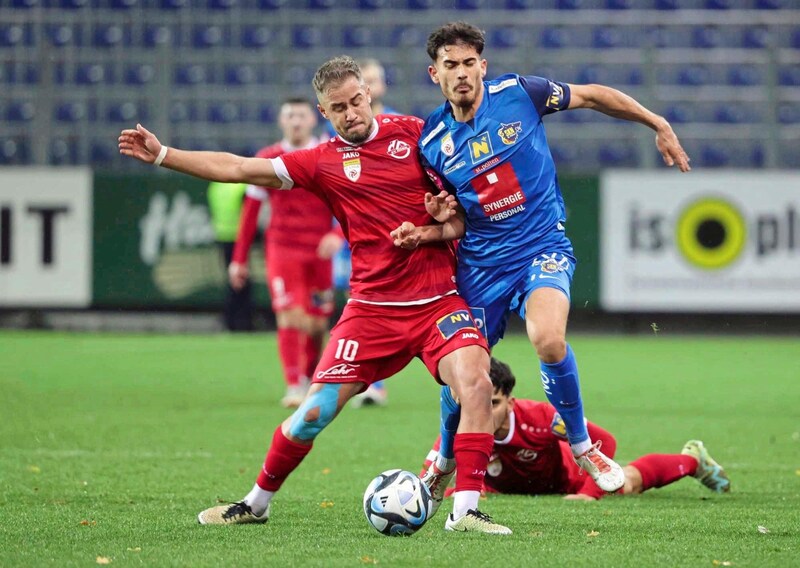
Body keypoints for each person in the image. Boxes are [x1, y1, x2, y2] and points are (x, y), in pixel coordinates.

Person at [118, 56, 511, 534]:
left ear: (368, 93)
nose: (350, 114)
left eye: (355, 101)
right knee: (312, 414)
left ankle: (464, 511)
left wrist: (443, 211)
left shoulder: (417, 133)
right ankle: (255, 503)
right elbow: (240, 168)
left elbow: (468, 193)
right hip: (371, 310)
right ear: (325, 113)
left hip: (437, 302)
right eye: (338, 108)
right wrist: (164, 154)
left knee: (476, 382)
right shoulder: (321, 162)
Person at [392, 22, 691, 503]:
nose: (463, 73)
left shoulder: (519, 93)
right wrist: (429, 226)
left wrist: (656, 122)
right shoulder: (433, 143)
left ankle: (582, 444)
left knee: (548, 339)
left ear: (483, 66)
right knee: (467, 372)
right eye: (452, 65)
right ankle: (443, 458)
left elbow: (592, 96)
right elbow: (455, 223)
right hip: (481, 265)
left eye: (471, 63)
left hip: (540, 246)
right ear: (435, 74)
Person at [422, 358, 731, 499]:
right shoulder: (465, 422)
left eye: (495, 403)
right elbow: (433, 466)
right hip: (514, 488)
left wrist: (588, 493)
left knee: (626, 482)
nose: (485, 412)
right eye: (479, 402)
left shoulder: (542, 417)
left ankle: (692, 460)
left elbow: (604, 440)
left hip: (570, 482)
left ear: (512, 403)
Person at [230, 96, 341, 408]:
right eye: (289, 115)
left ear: (313, 119)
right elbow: (250, 212)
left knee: (318, 324)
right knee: (290, 315)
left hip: (320, 252)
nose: (295, 121)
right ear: (281, 121)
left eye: (300, 115)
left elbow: (351, 202)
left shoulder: (328, 155)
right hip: (282, 249)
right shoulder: (269, 159)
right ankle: (294, 384)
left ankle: (308, 379)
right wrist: (239, 259)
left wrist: (337, 234)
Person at [207, 180, 254, 331]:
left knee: (232, 281)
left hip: (222, 236)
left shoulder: (215, 186)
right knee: (241, 282)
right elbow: (249, 213)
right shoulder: (241, 187)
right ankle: (242, 321)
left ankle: (231, 319)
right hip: (239, 238)